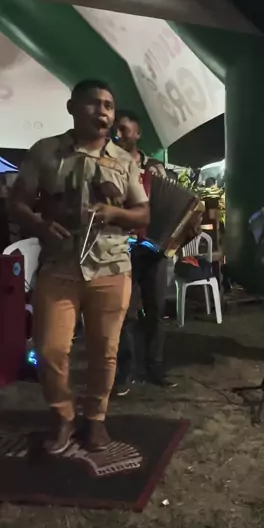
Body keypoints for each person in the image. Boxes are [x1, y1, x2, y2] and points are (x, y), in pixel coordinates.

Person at [8, 81, 149, 454]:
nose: (103, 111)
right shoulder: (45, 152)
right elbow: (17, 203)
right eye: (94, 103)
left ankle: (96, 418)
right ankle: (63, 416)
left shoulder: (125, 160)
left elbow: (142, 214)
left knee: (106, 351)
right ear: (72, 108)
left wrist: (113, 212)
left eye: (109, 106)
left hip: (111, 267)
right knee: (50, 349)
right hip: (59, 266)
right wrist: (40, 225)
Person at [113, 109, 174, 394]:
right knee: (126, 313)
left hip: (154, 250)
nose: (118, 134)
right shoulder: (110, 164)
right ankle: (125, 370)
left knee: (156, 311)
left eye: (124, 129)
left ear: (137, 134)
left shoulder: (156, 169)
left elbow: (171, 206)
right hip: (123, 249)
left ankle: (154, 365)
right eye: (116, 129)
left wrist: (184, 225)